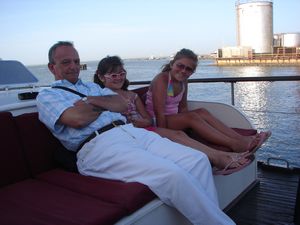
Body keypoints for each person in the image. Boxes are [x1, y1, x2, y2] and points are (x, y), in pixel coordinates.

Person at [37, 41, 236, 225]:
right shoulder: (48, 95)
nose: (73, 66)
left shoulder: (90, 88)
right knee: (173, 175)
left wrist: (91, 101)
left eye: (76, 61)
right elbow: (77, 119)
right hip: (98, 146)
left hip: (131, 132)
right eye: (66, 62)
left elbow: (121, 104)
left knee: (198, 161)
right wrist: (106, 105)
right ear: (51, 67)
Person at [94, 55, 252, 174]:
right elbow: (108, 122)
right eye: (114, 75)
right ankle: (220, 157)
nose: (119, 78)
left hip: (145, 128)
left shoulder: (132, 96)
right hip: (131, 132)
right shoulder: (101, 97)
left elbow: (147, 118)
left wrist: (141, 121)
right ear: (101, 77)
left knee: (181, 133)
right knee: (177, 134)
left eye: (122, 73)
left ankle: (223, 153)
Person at [145, 48, 271, 153]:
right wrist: (164, 137)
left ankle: (241, 139)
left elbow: (183, 108)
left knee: (201, 112)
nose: (183, 71)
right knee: (192, 117)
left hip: (172, 119)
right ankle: (234, 144)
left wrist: (187, 126)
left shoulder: (183, 81)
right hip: (158, 122)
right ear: (172, 64)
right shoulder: (162, 79)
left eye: (189, 69)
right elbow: (159, 112)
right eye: (180, 66)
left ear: (192, 72)